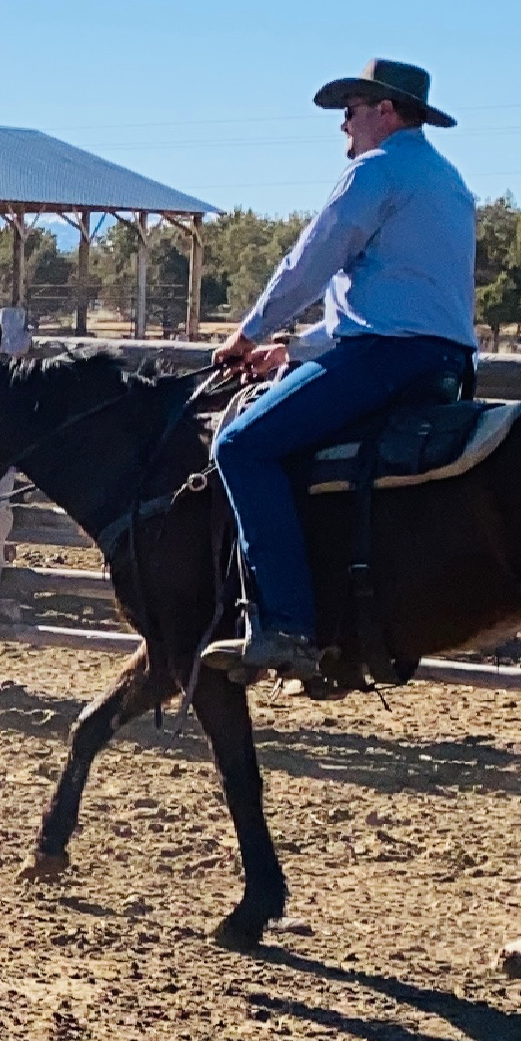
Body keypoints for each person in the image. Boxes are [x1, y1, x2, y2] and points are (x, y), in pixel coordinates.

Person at [199, 59, 478, 682]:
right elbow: (393, 299)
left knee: (242, 446)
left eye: (350, 110)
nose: (343, 127)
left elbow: (313, 258)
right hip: (443, 360)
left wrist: (249, 333)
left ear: (386, 110)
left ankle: (289, 625)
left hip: (383, 358)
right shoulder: (447, 180)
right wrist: (293, 353)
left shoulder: (374, 171)